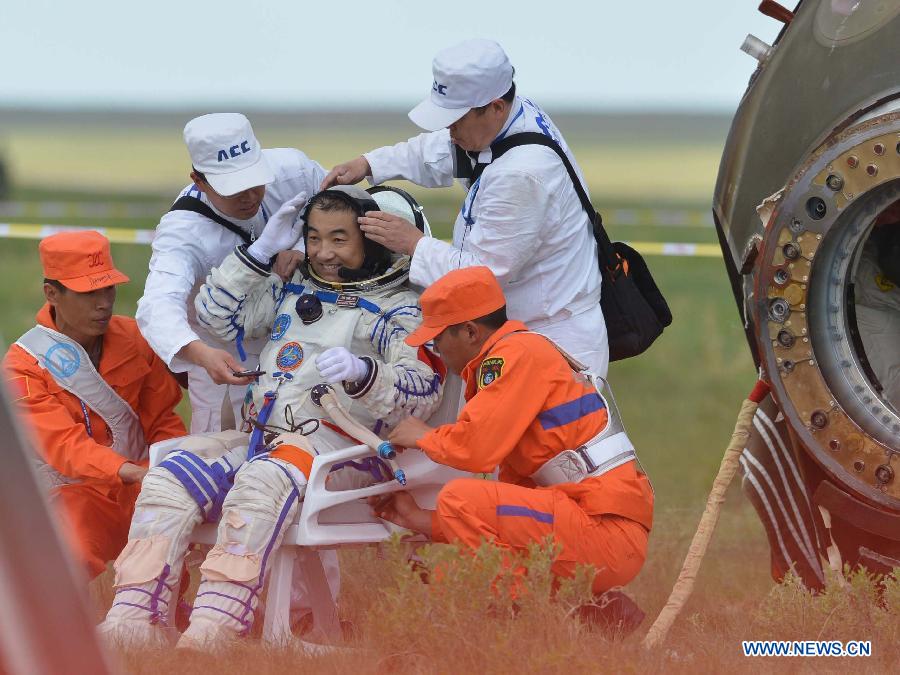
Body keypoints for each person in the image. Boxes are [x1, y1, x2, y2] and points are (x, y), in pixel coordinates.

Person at [100, 185, 444, 646]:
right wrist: (260, 253)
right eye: (315, 238)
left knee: (263, 481)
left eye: (339, 239)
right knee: (170, 477)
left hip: (344, 455)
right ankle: (132, 623)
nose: (322, 253)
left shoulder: (400, 308)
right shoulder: (294, 284)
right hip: (269, 442)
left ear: (378, 242)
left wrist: (366, 372)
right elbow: (216, 317)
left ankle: (215, 630)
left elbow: (423, 392)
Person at [321, 39, 609, 376]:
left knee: (531, 431)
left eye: (455, 118)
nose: (448, 129)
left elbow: (483, 276)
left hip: (549, 341)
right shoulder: (505, 120)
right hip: (512, 332)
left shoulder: (522, 174)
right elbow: (442, 149)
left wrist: (413, 244)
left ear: (496, 106)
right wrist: (368, 163)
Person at [372, 266, 653, 598]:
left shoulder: (513, 357)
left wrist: (422, 436)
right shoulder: (523, 354)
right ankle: (587, 614)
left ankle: (523, 616)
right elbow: (505, 516)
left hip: (606, 534)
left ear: (470, 332)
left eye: (437, 338)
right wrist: (420, 520)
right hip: (598, 531)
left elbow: (475, 450)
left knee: (458, 501)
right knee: (457, 559)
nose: (435, 348)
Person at [2, 231, 186, 579]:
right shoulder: (22, 365)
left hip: (141, 484)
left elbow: (162, 418)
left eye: (109, 288)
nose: (103, 303)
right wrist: (129, 472)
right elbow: (64, 446)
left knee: (171, 536)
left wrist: (166, 466)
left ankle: (165, 617)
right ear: (52, 294)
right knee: (69, 550)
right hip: (73, 494)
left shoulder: (135, 337)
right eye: (89, 292)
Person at [136, 112, 326, 433]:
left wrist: (306, 249)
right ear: (199, 180)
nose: (250, 195)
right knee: (224, 447)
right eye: (234, 188)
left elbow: (344, 213)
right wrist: (201, 354)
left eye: (255, 180)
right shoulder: (181, 233)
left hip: (302, 336)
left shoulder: (295, 171)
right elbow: (157, 306)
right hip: (224, 358)